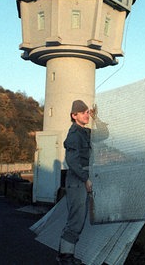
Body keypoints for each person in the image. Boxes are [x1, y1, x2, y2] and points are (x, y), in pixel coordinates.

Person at [58, 100, 93, 265]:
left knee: (78, 219)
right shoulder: (74, 135)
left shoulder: (84, 132)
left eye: (87, 112)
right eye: (83, 112)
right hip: (77, 179)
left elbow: (104, 135)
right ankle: (65, 257)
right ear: (74, 115)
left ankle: (67, 255)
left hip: (81, 177)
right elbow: (72, 161)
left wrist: (96, 118)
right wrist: (86, 179)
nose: (87, 114)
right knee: (76, 220)